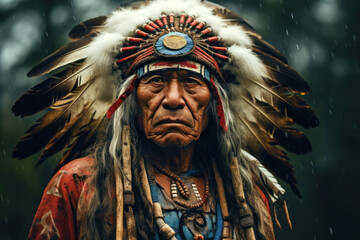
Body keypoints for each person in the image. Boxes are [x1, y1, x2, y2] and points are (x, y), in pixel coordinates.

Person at [12, 0, 318, 239]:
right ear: (129, 99)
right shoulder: (77, 185)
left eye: (191, 82)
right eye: (156, 81)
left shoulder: (246, 192)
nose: (173, 99)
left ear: (215, 103)